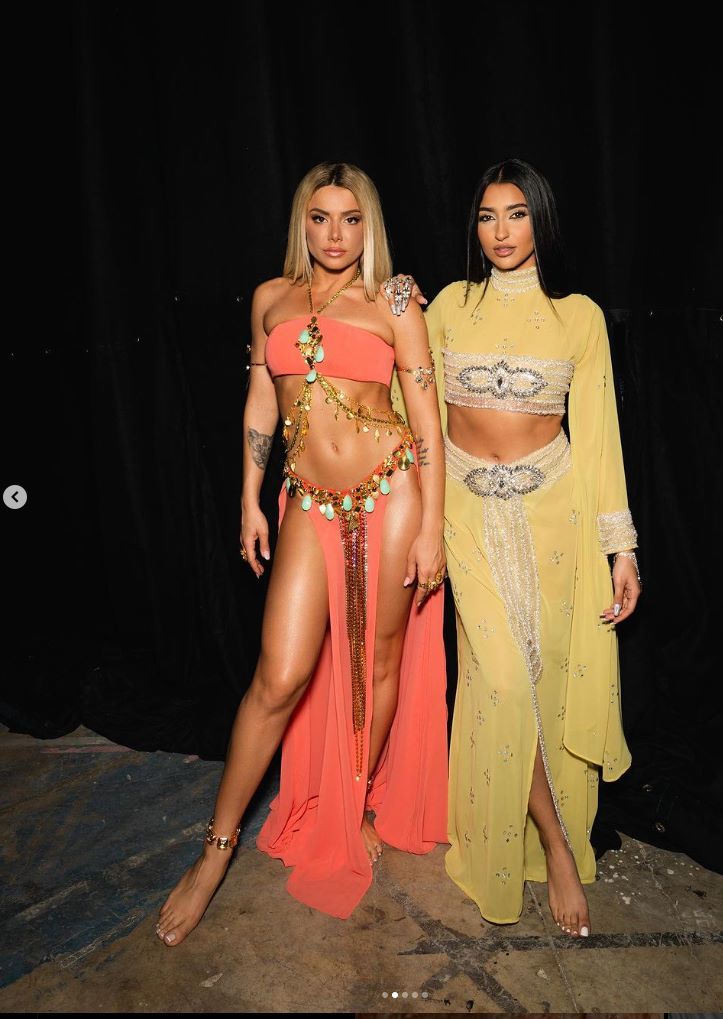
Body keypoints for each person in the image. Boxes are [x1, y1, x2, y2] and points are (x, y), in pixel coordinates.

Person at [156, 162, 448, 945]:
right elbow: (262, 398)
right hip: (308, 500)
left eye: (351, 219)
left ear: (369, 225)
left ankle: (352, 803)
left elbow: (426, 421)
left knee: (378, 661)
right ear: (301, 222)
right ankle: (214, 851)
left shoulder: (394, 303)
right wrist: (249, 497)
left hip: (392, 493)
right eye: (320, 218)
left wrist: (432, 525)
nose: (335, 234)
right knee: (279, 676)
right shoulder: (270, 299)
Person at [392, 158, 640, 937]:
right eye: (487, 216)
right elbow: (408, 406)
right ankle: (556, 845)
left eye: (517, 214)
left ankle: (547, 833)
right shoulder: (448, 307)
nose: (500, 232)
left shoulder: (579, 318)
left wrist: (621, 548)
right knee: (501, 680)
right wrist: (390, 298)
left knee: (546, 680)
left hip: (554, 516)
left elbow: (599, 438)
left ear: (541, 220)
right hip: (464, 512)